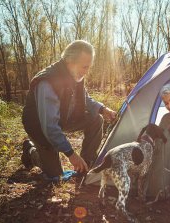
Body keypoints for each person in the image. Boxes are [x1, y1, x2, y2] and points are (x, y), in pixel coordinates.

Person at [21, 40, 117, 182]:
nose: (86, 71)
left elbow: (85, 99)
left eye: (88, 67)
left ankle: (86, 163)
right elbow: (50, 127)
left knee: (97, 118)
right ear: (69, 61)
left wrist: (103, 109)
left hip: (63, 119)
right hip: (40, 127)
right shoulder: (48, 82)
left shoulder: (76, 75)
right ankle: (30, 151)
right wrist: (71, 155)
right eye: (84, 67)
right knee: (55, 175)